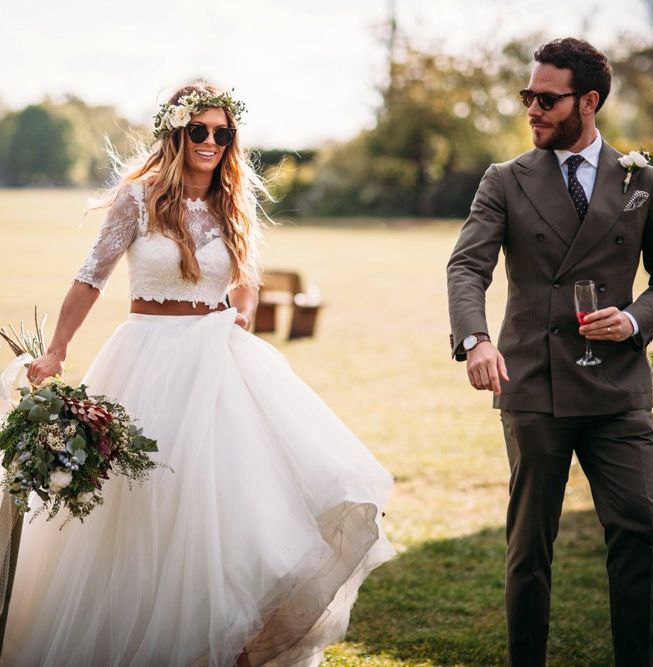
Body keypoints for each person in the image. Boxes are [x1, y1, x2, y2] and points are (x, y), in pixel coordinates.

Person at [2, 82, 395, 667]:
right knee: (138, 505)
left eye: (222, 133)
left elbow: (247, 278)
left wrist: (242, 313)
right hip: (145, 355)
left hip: (219, 360)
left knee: (230, 507)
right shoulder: (138, 200)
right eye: (200, 131)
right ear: (175, 132)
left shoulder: (236, 201)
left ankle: (229, 645)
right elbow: (91, 277)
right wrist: (57, 349)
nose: (211, 142)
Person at [447, 38, 653, 667]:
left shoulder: (643, 180)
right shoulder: (505, 179)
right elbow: (467, 267)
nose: (533, 108)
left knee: (640, 526)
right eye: (529, 96)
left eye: (547, 99)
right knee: (530, 549)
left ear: (588, 101)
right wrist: (475, 340)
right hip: (533, 386)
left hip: (619, 393)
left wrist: (634, 319)